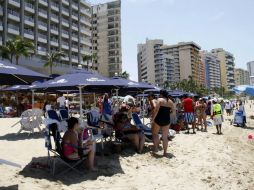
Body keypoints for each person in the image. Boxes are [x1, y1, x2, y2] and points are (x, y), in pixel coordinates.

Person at [152, 90, 176, 156]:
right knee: (165, 137)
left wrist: (153, 119)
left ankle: (156, 148)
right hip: (166, 119)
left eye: (160, 94)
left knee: (155, 134)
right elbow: (174, 112)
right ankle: (165, 152)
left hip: (158, 119)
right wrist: (167, 114)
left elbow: (156, 110)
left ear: (161, 94)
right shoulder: (170, 101)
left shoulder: (159, 99)